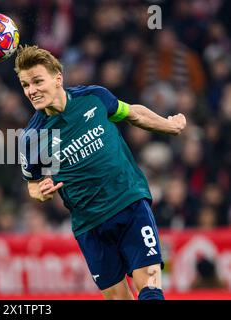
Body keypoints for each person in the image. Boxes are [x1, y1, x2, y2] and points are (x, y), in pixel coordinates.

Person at [16, 45, 186, 300]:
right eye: (26, 85)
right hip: (89, 224)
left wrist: (169, 126)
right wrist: (40, 193)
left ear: (58, 78)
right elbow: (32, 184)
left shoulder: (94, 97)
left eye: (38, 81)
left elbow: (133, 114)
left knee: (150, 287)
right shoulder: (32, 139)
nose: (32, 91)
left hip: (129, 203)